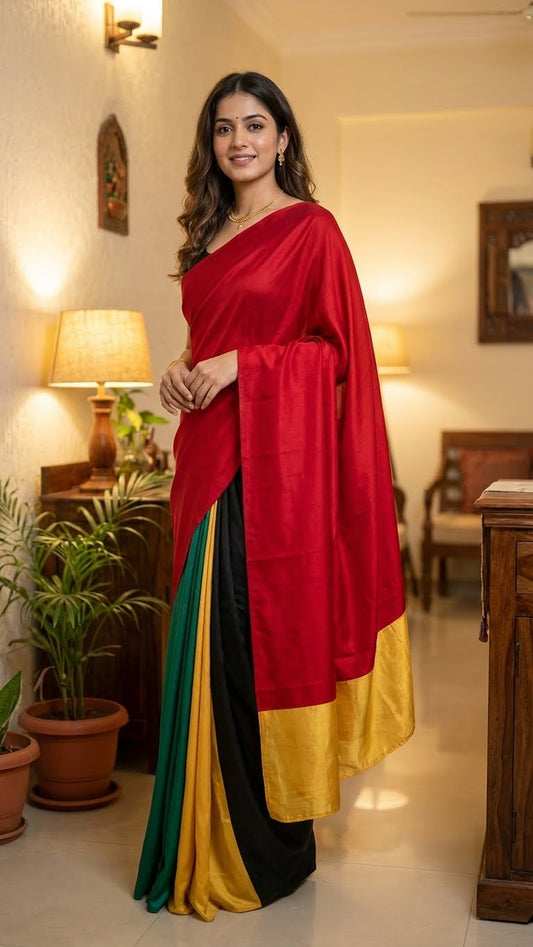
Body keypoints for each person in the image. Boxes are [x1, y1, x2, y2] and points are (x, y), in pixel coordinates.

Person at [134, 71, 414, 923]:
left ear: (283, 137)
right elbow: (207, 347)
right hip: (206, 460)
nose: (239, 141)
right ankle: (198, 833)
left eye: (255, 125)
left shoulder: (313, 232)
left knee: (250, 647)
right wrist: (184, 372)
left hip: (271, 474)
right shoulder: (209, 236)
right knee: (203, 648)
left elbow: (334, 356)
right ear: (211, 144)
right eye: (223, 129)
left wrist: (244, 368)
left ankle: (263, 849)